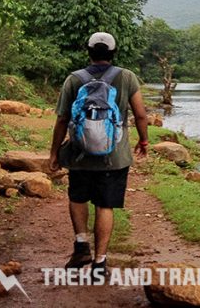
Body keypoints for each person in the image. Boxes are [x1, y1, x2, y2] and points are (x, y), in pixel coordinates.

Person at [47, 32, 148, 277]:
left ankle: (81, 245)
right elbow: (141, 114)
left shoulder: (74, 79)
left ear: (89, 52)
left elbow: (62, 119)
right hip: (114, 158)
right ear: (113, 53)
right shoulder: (127, 77)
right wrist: (144, 140)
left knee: (78, 198)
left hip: (79, 154)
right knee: (105, 205)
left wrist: (54, 154)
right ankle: (100, 262)